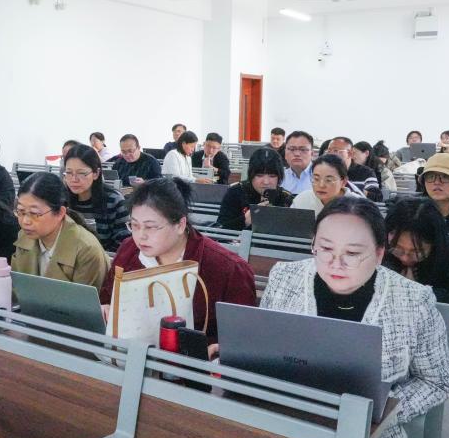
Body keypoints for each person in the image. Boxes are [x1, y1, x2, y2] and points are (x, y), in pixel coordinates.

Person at [261, 196, 449, 438]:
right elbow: (264, 348)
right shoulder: (286, 278)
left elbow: (438, 381)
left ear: (379, 253)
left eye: (352, 253)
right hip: (285, 429)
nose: (336, 263)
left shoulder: (412, 300)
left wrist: (381, 412)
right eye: (325, 248)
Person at [100, 177, 256, 343]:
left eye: (150, 227)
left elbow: (242, 338)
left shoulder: (228, 269)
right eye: (134, 225)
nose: (140, 236)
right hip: (131, 352)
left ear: (180, 225)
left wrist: (216, 349)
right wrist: (105, 309)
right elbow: (106, 297)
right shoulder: (129, 250)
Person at [383, 198, 449, 348]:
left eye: (416, 252)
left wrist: (418, 291)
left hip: (436, 344)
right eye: (398, 249)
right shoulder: (380, 253)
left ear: (434, 245)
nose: (405, 258)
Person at [10, 172, 109, 289]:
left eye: (34, 214)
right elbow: (18, 289)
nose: (25, 221)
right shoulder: (25, 235)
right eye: (21, 211)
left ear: (60, 213)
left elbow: (82, 299)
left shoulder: (86, 250)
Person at [63, 144, 131, 252]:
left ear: (96, 173)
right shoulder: (62, 199)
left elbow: (124, 243)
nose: (74, 179)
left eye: (81, 173)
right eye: (69, 173)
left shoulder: (114, 200)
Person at [215, 148, 293, 230]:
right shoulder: (235, 192)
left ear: (279, 177)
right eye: (259, 175)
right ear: (251, 175)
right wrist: (246, 220)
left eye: (272, 176)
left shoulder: (285, 198)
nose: (266, 182)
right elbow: (219, 229)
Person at [291, 154, 364, 216]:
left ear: (343, 182)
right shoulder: (302, 200)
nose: (321, 185)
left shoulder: (359, 205)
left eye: (329, 180)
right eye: (316, 179)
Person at [328, 137, 381, 201]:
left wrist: (352, 188)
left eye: (335, 151)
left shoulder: (366, 172)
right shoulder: (325, 171)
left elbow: (377, 197)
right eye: (329, 151)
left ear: (350, 153)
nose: (330, 154)